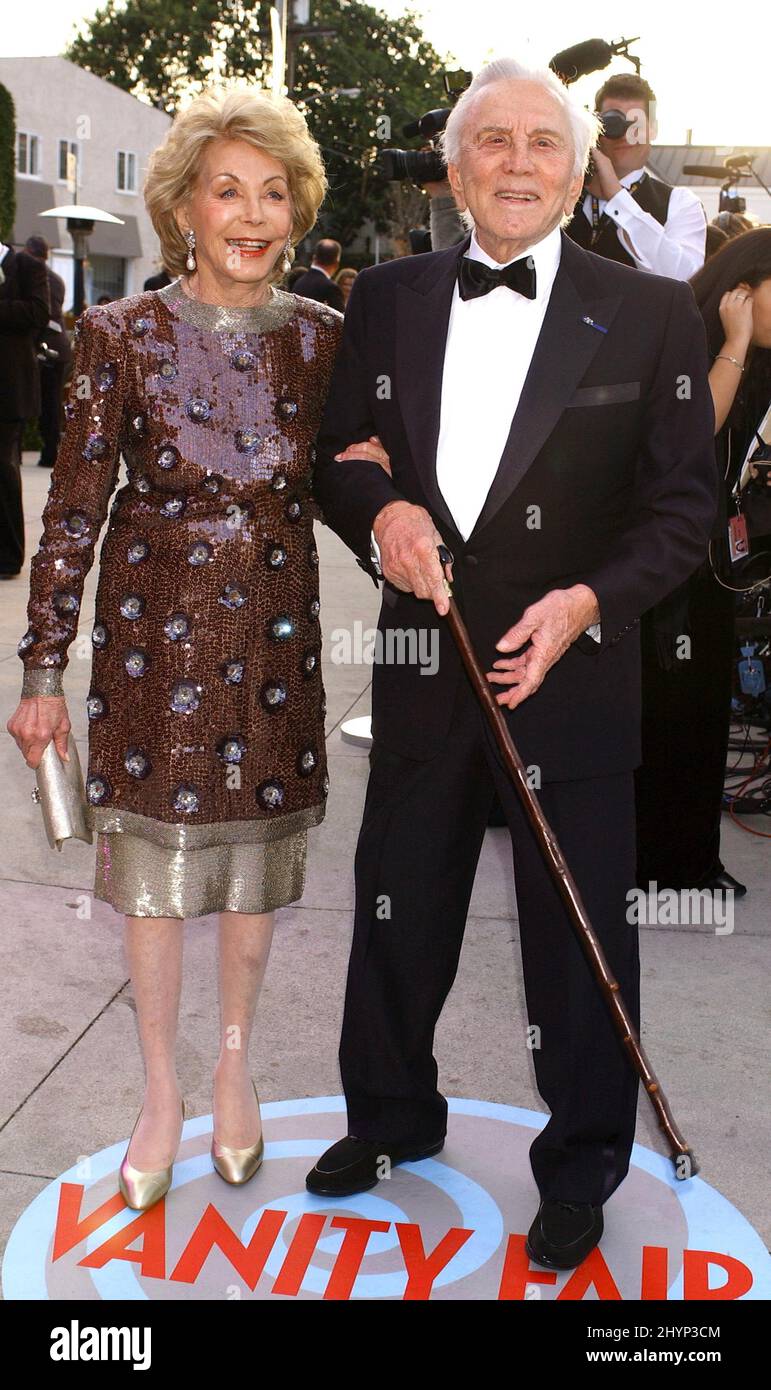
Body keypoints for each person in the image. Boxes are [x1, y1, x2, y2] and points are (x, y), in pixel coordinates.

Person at [307, 56, 717, 1270]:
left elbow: (683, 509)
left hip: (575, 678)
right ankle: (388, 1118)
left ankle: (583, 1162)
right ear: (455, 166)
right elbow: (338, 453)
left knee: (579, 935)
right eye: (495, 142)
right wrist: (378, 509)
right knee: (399, 904)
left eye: (546, 141)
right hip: (422, 669)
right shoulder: (382, 295)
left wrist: (588, 599)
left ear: (581, 161)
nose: (521, 163)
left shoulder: (651, 311)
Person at [6, 86, 387, 1213]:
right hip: (148, 641)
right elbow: (72, 511)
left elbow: (354, 486)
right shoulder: (116, 335)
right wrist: (41, 672)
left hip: (272, 633)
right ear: (183, 208)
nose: (255, 214)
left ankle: (234, 1068)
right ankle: (162, 1091)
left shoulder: (325, 340)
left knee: (255, 874)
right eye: (230, 191)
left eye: (274, 193)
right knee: (159, 884)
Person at [635, 228, 771, 896]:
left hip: (710, 560)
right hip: (662, 556)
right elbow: (692, 434)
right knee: (666, 710)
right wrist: (736, 343)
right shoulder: (686, 333)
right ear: (742, 287)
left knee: (702, 715)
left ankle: (688, 862)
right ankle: (657, 865)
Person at [565, 72, 706, 280]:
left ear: (654, 129)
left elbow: (685, 277)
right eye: (613, 122)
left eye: (636, 124)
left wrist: (617, 198)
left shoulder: (680, 203)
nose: (625, 134)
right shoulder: (565, 192)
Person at [0, 240, 50, 578]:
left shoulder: (25, 266)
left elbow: (38, 312)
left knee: (2, 468)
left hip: (8, 387)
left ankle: (8, 555)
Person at [24, 235, 74, 469]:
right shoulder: (56, 279)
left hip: (46, 346)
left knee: (46, 402)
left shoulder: (37, 276)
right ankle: (49, 450)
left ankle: (49, 451)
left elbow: (43, 313)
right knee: (51, 402)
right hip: (59, 346)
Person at [291, 238, 345, 310]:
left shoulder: (299, 281)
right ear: (336, 264)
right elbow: (341, 319)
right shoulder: (331, 288)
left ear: (314, 258)